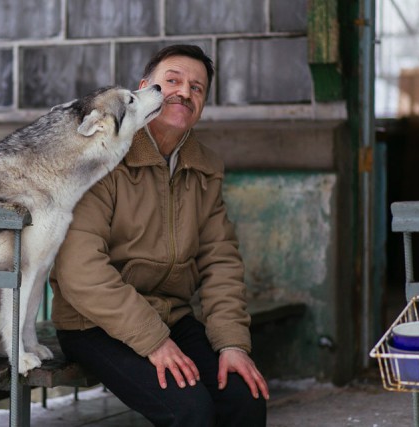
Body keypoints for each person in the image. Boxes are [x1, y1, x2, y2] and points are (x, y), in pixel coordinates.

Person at [49, 44, 268, 426]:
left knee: (244, 398)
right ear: (145, 88)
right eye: (173, 81)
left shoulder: (203, 167)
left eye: (197, 88)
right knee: (189, 410)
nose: (185, 92)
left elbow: (221, 260)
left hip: (171, 316)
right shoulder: (102, 156)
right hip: (94, 323)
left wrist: (232, 343)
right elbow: (78, 270)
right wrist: (152, 340)